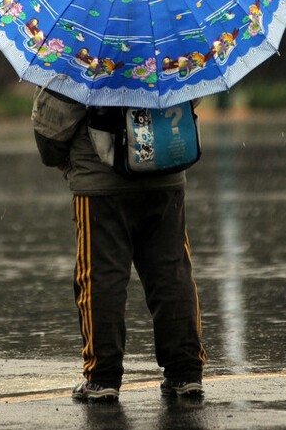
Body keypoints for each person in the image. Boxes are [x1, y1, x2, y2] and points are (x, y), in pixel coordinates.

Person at [32, 86, 207, 403]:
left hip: (101, 184)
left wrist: (62, 158)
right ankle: (185, 373)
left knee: (101, 278)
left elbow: (52, 128)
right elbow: (192, 94)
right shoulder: (169, 42)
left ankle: (102, 377)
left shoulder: (84, 44)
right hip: (165, 173)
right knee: (171, 274)